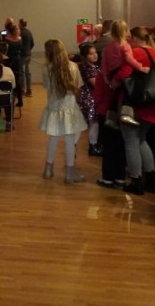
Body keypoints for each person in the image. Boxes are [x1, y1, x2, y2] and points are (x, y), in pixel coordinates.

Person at [112, 27, 155, 195]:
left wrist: (112, 82)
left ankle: (136, 180)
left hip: (135, 104)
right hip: (154, 103)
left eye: (130, 38)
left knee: (131, 141)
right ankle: (152, 178)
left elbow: (124, 74)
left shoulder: (136, 53)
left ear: (135, 38)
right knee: (141, 140)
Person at [39, 39, 88, 183]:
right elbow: (78, 85)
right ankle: (70, 172)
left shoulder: (46, 68)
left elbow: (47, 86)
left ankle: (48, 169)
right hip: (69, 108)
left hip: (54, 107)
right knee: (70, 140)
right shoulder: (73, 67)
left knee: (53, 139)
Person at [77, 43, 101, 156]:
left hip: (93, 96)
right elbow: (95, 83)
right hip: (89, 98)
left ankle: (94, 145)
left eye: (95, 53)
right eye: (91, 54)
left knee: (94, 122)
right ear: (85, 56)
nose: (95, 55)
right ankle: (92, 146)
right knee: (93, 122)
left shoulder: (94, 67)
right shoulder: (86, 68)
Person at [18, 19, 35, 96]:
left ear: (20, 24)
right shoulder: (29, 32)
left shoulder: (20, 32)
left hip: (22, 55)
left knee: (22, 73)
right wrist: (28, 50)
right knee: (28, 72)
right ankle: (29, 90)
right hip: (28, 54)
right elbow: (32, 43)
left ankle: (22, 90)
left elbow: (19, 43)